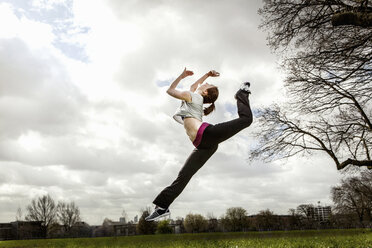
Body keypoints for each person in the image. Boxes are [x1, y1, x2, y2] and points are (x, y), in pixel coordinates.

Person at [145, 68, 253, 221]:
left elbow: (170, 90)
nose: (205, 83)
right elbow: (195, 86)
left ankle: (242, 93)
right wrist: (207, 75)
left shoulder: (193, 97)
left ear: (205, 93)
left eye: (206, 84)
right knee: (184, 176)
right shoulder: (194, 99)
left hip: (207, 135)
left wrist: (182, 76)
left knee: (246, 120)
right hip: (203, 144)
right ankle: (162, 207)